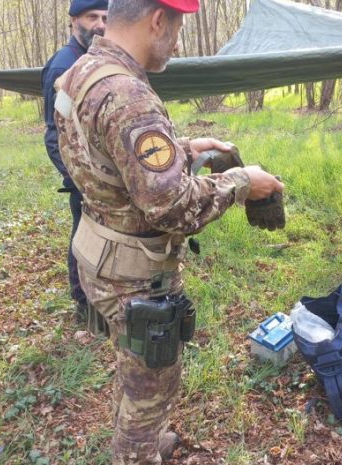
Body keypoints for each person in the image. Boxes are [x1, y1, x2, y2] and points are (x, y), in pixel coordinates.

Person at [53, 0, 284, 463]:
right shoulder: (128, 96)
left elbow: (106, 157)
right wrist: (242, 182)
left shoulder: (82, 72)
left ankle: (143, 433)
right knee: (152, 384)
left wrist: (183, 147)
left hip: (99, 252)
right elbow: (171, 206)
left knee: (135, 370)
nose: (177, 41)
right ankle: (136, 451)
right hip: (135, 275)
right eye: (177, 27)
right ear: (158, 19)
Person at [41, 0, 108, 323]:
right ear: (73, 21)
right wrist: (78, 178)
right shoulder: (63, 67)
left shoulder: (96, 62)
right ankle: (83, 302)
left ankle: (100, 298)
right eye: (92, 17)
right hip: (83, 178)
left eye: (106, 17)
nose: (100, 24)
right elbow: (55, 134)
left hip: (102, 177)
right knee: (83, 238)